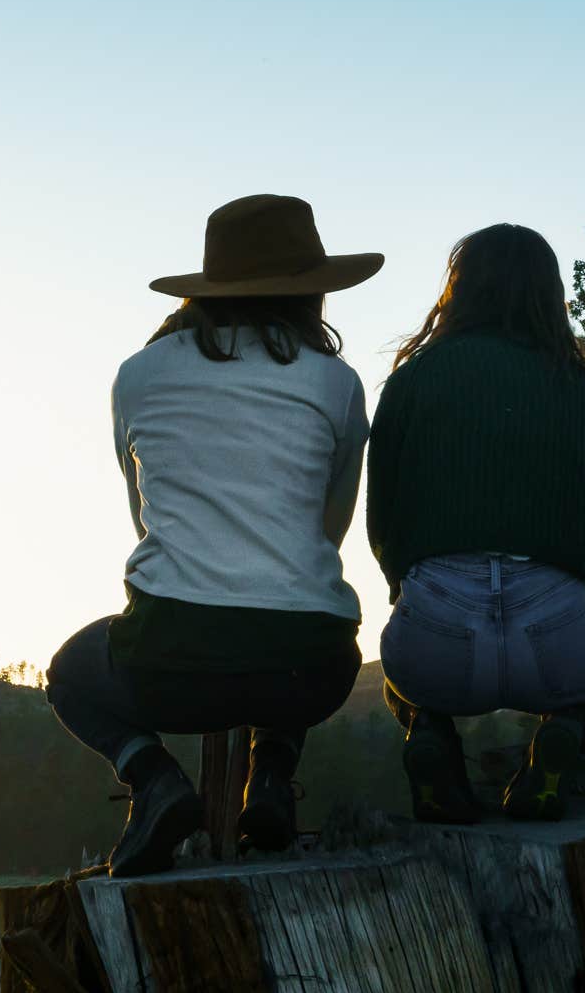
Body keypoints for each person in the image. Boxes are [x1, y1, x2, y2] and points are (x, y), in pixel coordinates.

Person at [46, 193, 378, 876]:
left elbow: (145, 517)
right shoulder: (337, 382)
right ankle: (274, 776)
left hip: (172, 667)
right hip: (311, 671)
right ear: (310, 291)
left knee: (72, 671)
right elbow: (327, 532)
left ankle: (154, 778)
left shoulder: (137, 376)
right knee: (299, 613)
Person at [365, 223, 585, 824]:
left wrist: (408, 590)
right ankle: (575, 727)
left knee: (400, 679)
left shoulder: (414, 378)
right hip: (559, 627)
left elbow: (382, 517)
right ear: (551, 295)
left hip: (437, 635)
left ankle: (431, 732)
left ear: (458, 291)